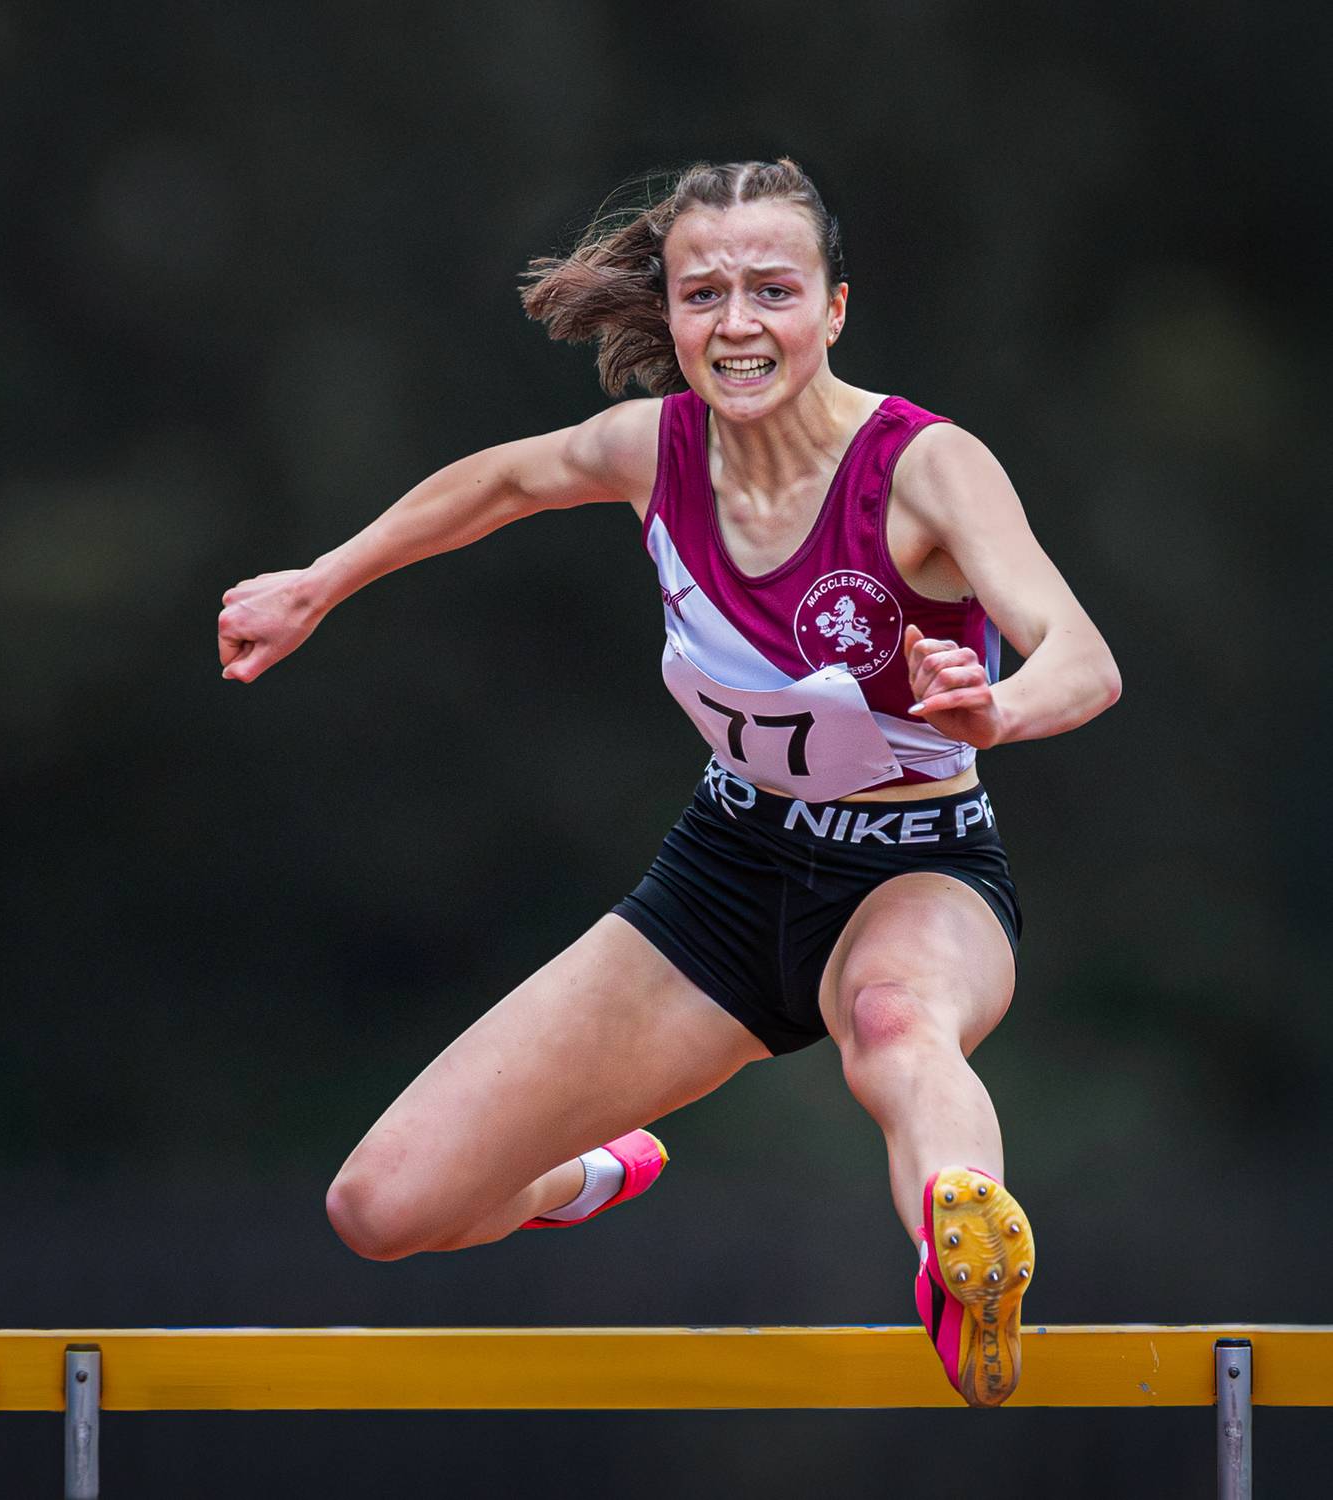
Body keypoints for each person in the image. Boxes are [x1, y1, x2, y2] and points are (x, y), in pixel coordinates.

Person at [217, 159, 1120, 1408]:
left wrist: (996, 709)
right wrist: (320, 582)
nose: (737, 323)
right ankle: (589, 1173)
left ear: (834, 308)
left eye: (772, 290)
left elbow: (1082, 658)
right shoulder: (654, 450)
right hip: (723, 875)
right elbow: (502, 481)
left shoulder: (923, 467)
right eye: (704, 294)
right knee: (381, 1207)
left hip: (912, 871)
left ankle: (960, 1253)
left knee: (895, 1026)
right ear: (675, 315)